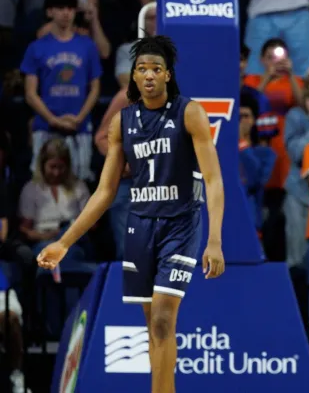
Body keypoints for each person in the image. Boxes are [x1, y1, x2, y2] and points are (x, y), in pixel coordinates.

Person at [35, 35, 226, 393]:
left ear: (168, 74)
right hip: (140, 226)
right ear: (133, 76)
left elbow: (214, 180)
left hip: (180, 224)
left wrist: (214, 240)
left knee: (164, 320)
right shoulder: (122, 122)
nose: (149, 75)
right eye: (142, 69)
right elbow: (105, 192)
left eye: (156, 69)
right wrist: (64, 242)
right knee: (152, 325)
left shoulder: (190, 113)